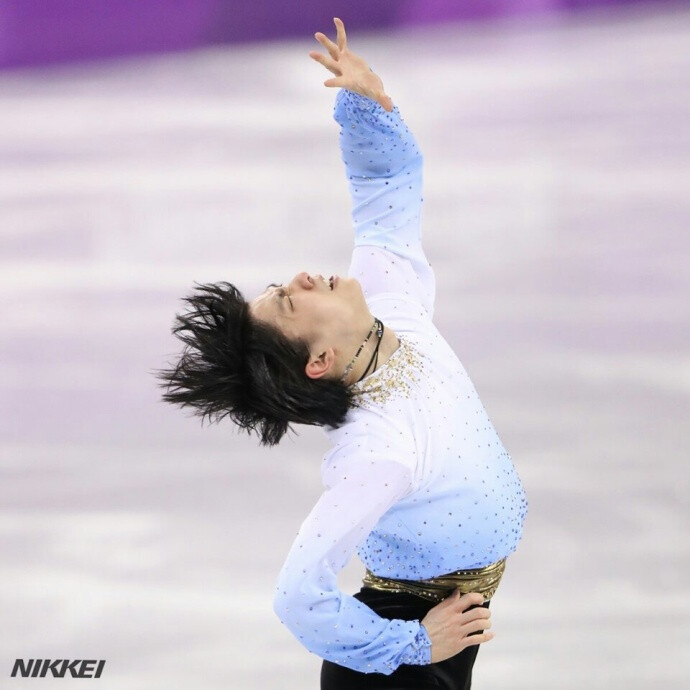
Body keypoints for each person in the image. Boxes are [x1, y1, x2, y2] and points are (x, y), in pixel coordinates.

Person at [156, 17, 527, 689]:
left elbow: (386, 195)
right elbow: (297, 592)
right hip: (393, 667)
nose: (300, 276)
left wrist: (365, 104)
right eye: (292, 303)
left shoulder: (390, 299)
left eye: (281, 288)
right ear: (318, 361)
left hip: (447, 628)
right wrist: (412, 644)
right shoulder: (377, 451)